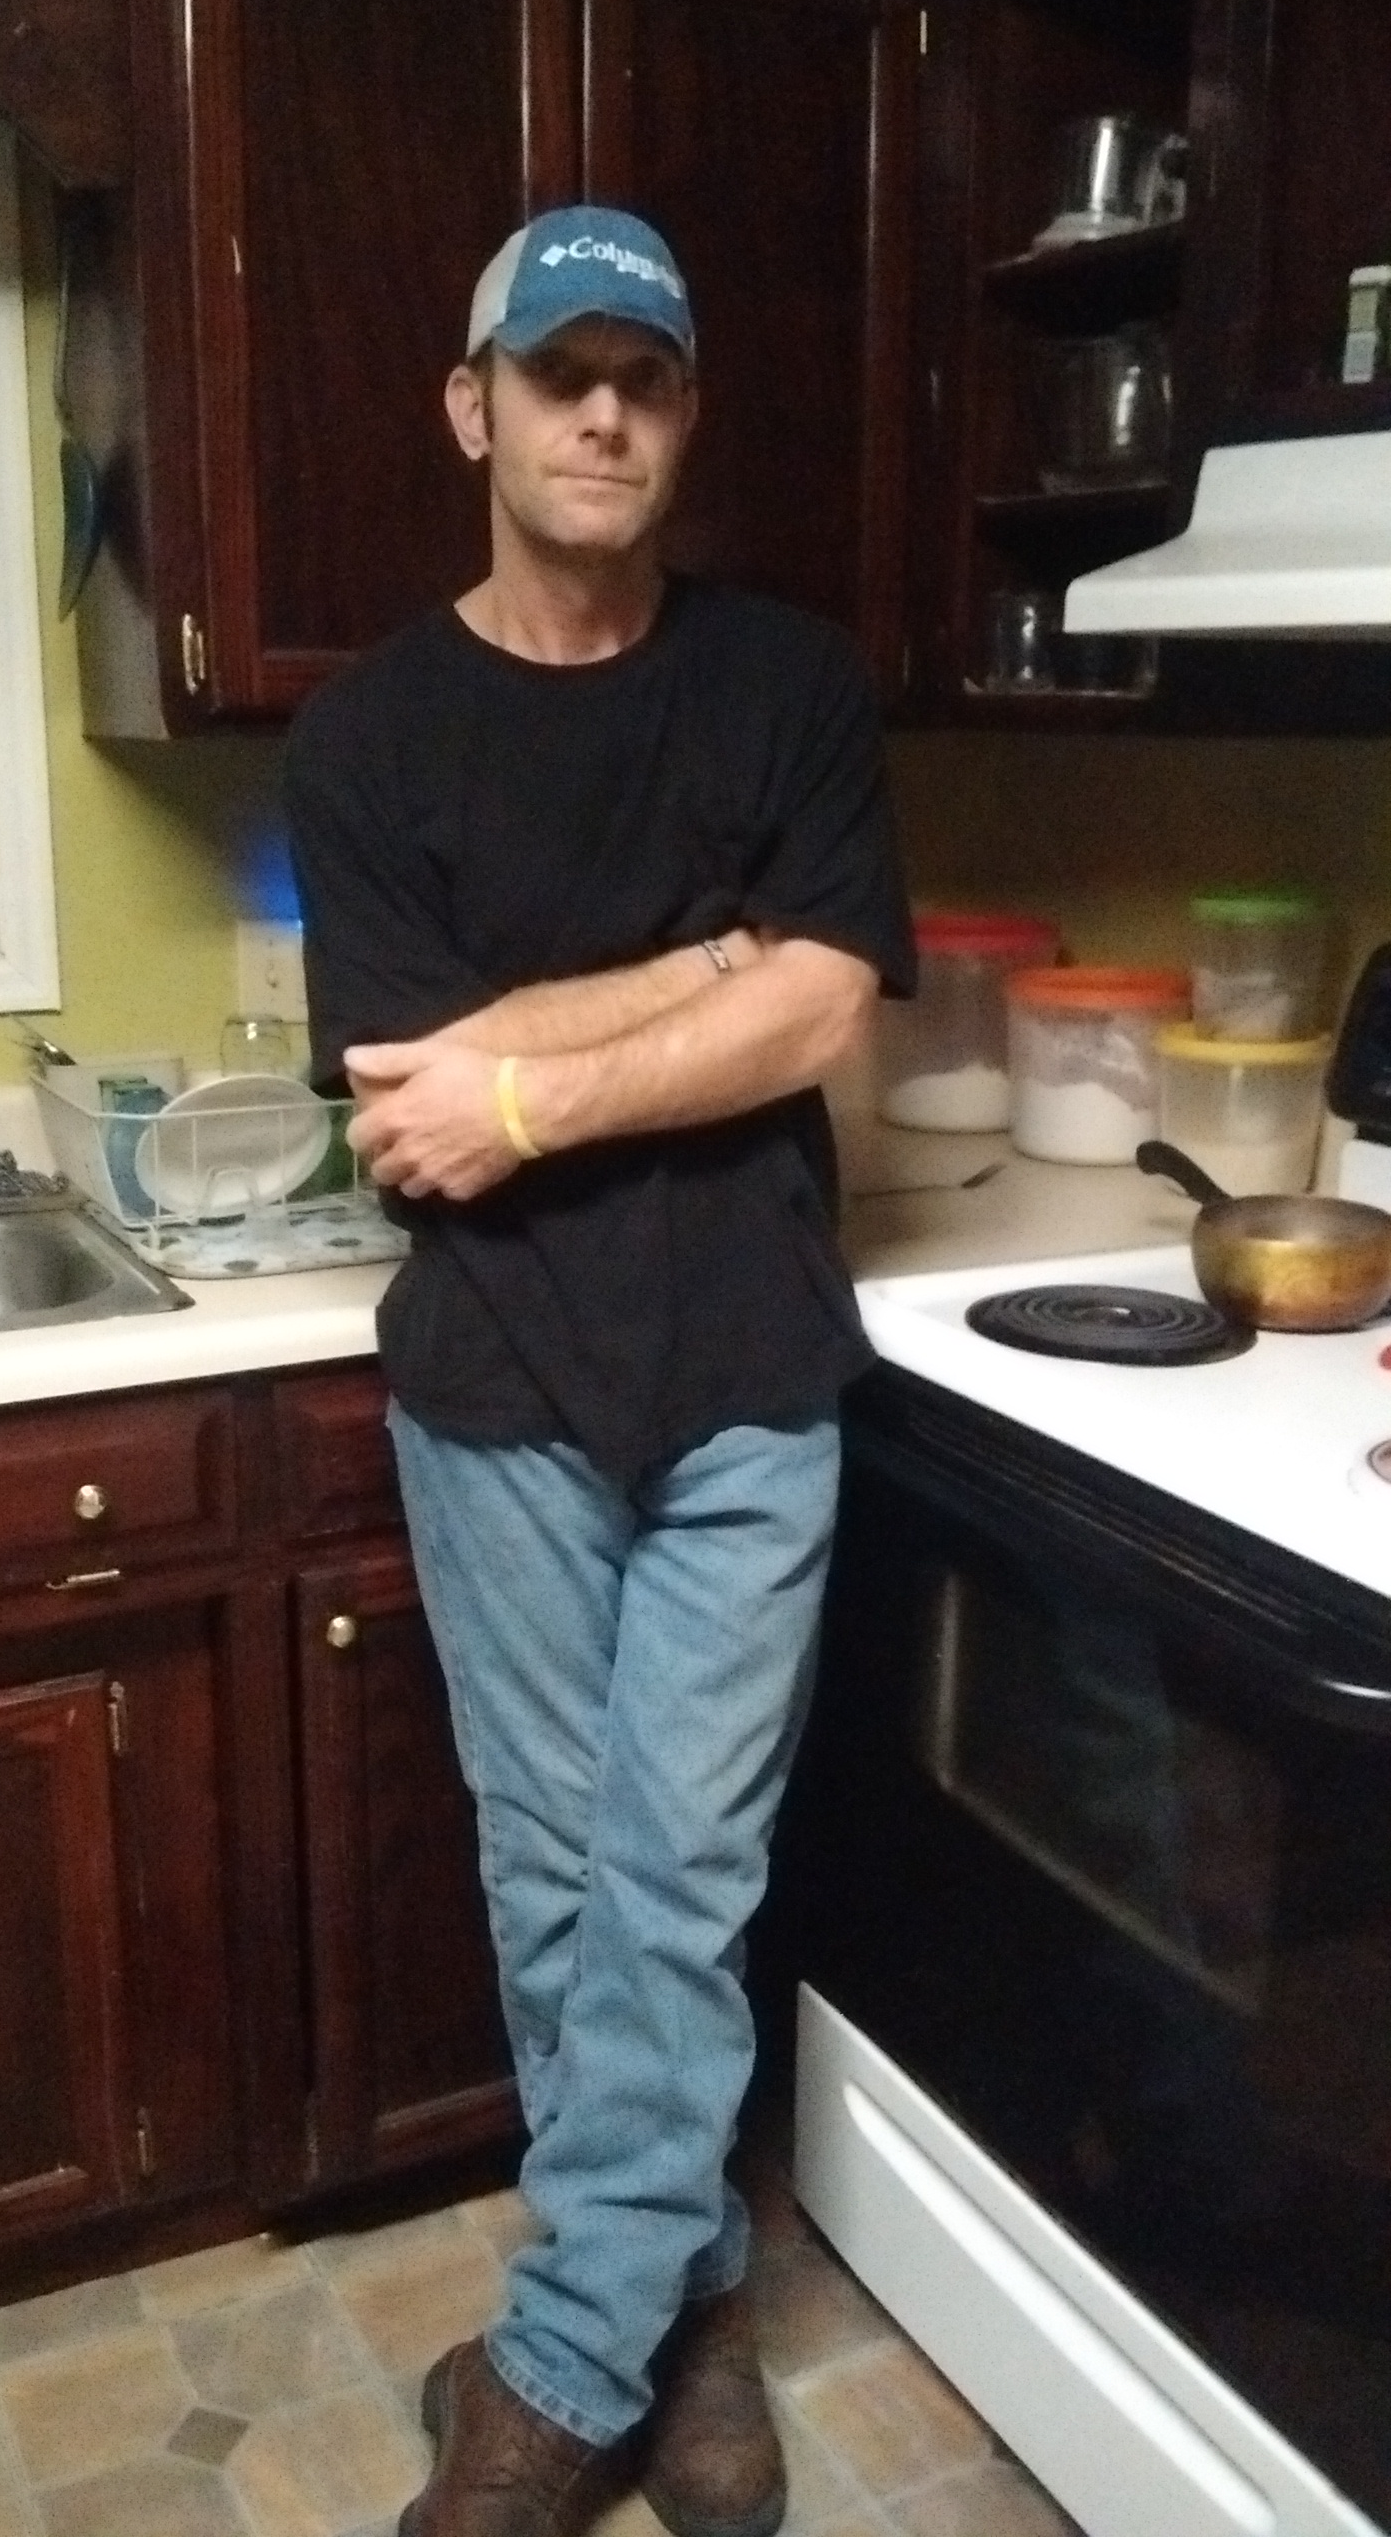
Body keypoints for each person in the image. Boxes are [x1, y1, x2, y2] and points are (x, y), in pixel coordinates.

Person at [285, 205, 914, 2537]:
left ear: (684, 413)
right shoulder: (366, 734)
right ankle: (695, 2305)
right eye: (561, 374)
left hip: (747, 1361)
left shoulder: (792, 683)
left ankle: (554, 2371)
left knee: (677, 1870)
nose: (605, 413)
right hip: (497, 1386)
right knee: (558, 1877)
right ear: (478, 408)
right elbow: (400, 1088)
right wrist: (705, 971)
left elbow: (824, 1003)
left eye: (644, 377)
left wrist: (537, 1077)